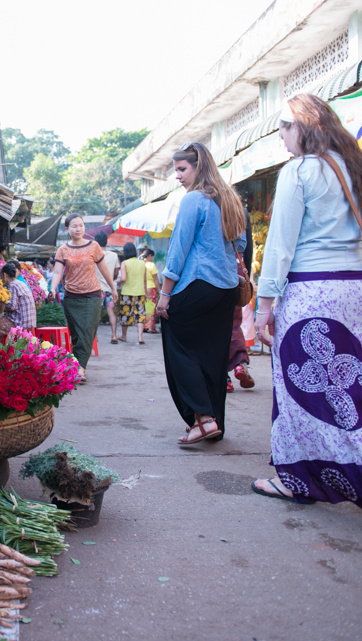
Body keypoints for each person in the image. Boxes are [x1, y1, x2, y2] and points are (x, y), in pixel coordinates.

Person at [252, 94, 362, 527]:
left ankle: (300, 480)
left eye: (284, 128)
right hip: (358, 288)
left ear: (302, 127)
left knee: (299, 390)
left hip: (312, 290)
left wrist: (263, 306)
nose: (282, 137)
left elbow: (281, 245)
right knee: (358, 387)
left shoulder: (300, 171)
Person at [155, 142, 246, 445]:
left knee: (178, 345)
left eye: (182, 169)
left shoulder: (194, 199)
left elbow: (179, 248)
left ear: (199, 167)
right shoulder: (230, 198)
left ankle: (204, 419)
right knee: (213, 355)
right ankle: (214, 422)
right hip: (226, 288)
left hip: (198, 283)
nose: (178, 176)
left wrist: (165, 294)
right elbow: (241, 244)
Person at [48, 214, 118, 383]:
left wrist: (113, 287)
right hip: (71, 297)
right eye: (74, 226)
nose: (78, 229)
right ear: (67, 229)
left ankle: (80, 368)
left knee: (87, 331)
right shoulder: (63, 250)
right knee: (76, 334)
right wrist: (52, 289)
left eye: (81, 225)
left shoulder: (94, 246)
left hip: (92, 296)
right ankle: (76, 365)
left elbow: (105, 269)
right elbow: (57, 272)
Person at [227, 211, 256, 392]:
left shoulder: (208, 204)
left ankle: (223, 378)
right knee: (234, 322)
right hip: (237, 269)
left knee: (214, 326)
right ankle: (240, 364)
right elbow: (248, 248)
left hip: (212, 271)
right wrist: (246, 275)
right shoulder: (241, 211)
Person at [117, 242, 154, 345]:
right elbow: (144, 280)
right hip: (140, 293)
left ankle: (124, 336)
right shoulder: (142, 263)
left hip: (127, 293)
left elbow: (123, 278)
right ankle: (140, 337)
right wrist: (146, 293)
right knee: (140, 315)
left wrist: (118, 282)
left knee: (125, 314)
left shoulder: (124, 263)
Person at [94, 231, 120, 344]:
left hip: (97, 290)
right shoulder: (114, 255)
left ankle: (94, 337)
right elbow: (116, 273)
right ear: (107, 241)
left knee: (95, 314)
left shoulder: (94, 255)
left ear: (96, 242)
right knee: (111, 313)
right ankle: (114, 335)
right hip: (110, 289)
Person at [0, 263, 36, 330]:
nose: (1, 279)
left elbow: (12, 306)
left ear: (5, 275)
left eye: (1, 276)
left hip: (19, 324)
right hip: (29, 323)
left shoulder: (12, 285)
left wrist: (2, 301)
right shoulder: (21, 283)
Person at [140, 248, 160, 333]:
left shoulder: (141, 264)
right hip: (151, 288)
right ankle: (151, 327)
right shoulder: (151, 265)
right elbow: (155, 279)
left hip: (143, 288)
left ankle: (144, 326)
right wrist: (160, 290)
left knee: (144, 307)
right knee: (152, 307)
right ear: (150, 256)